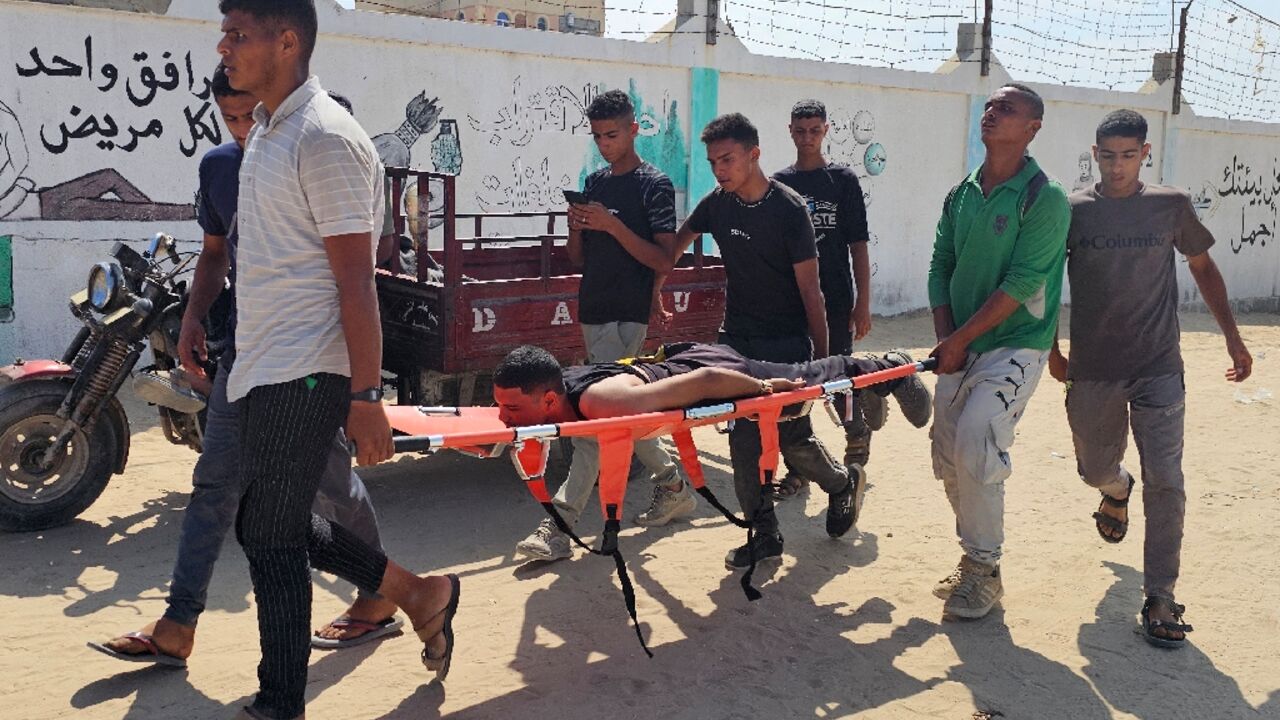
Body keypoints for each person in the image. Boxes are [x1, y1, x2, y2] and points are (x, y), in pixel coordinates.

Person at [217, 2, 459, 718]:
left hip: (306, 367)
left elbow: (358, 282)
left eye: (238, 34)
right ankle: (418, 593)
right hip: (263, 363)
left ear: (286, 42)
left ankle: (280, 701)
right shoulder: (270, 130)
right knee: (270, 524)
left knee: (268, 535)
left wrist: (365, 396)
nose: (223, 46)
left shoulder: (324, 137)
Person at [673, 113, 913, 570]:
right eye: (712, 162)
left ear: (754, 154)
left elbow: (811, 292)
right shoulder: (716, 204)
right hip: (736, 344)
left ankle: (841, 484)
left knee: (791, 437)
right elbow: (673, 248)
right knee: (743, 441)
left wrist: (823, 363)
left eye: (727, 159)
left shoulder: (789, 209)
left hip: (786, 345)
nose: (719, 170)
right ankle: (764, 534)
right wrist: (651, 287)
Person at [1049, 109, 1252, 648]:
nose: (1117, 166)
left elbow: (1203, 267)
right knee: (1094, 468)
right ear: (1095, 154)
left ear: (1145, 154)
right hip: (1093, 367)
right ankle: (1116, 491)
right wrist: (1051, 349)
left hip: (1159, 365)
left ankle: (1161, 594)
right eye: (1107, 156)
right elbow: (1042, 279)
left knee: (1166, 478)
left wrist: (1233, 338)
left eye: (1128, 155)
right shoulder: (1072, 212)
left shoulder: (1171, 205)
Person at [514, 89, 692, 562]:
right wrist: (577, 225)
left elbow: (664, 258)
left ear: (633, 130)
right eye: (597, 136)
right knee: (620, 416)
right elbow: (577, 258)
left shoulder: (654, 185)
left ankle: (560, 525)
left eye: (611, 135)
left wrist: (612, 225)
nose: (604, 144)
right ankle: (673, 484)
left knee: (595, 419)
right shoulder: (593, 183)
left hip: (628, 313)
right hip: (592, 309)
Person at [926, 83, 1070, 620]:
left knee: (976, 443)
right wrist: (948, 337)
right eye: (989, 105)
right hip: (960, 345)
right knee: (948, 458)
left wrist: (959, 341)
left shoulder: (1045, 198)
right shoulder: (961, 193)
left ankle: (983, 568)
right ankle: (975, 558)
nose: (991, 113)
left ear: (1033, 128)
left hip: (1016, 345)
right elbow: (941, 264)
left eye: (1006, 109)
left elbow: (1023, 281)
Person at [492, 343, 931, 453]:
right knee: (798, 377)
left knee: (801, 382)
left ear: (548, 402)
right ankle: (870, 384)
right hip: (676, 362)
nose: (504, 418)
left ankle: (886, 368)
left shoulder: (603, 404)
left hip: (705, 371)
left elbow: (705, 381)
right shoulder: (556, 383)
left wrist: (762, 391)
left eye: (512, 409)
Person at [773, 98, 887, 497]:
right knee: (793, 385)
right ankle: (799, 468)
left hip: (836, 299)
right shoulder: (778, 184)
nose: (807, 138)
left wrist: (863, 303)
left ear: (826, 131)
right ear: (790, 131)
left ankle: (856, 435)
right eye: (800, 130)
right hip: (790, 304)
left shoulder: (843, 181)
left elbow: (858, 245)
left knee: (835, 378)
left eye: (814, 130)